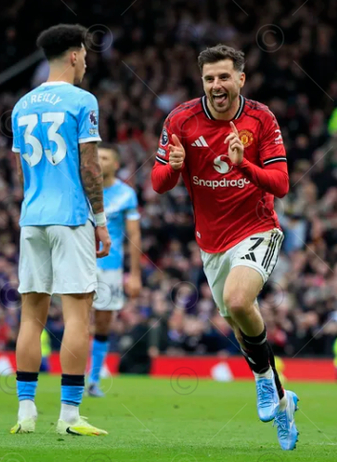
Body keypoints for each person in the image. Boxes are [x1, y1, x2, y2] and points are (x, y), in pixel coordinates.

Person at [151, 44, 299, 451]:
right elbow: (158, 182)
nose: (216, 85)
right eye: (209, 78)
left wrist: (243, 165)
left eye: (224, 77)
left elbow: (282, 184)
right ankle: (283, 401)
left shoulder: (261, 118)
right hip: (211, 243)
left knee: (237, 300)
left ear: (240, 79)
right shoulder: (180, 120)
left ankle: (264, 381)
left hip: (257, 228)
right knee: (239, 322)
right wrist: (174, 167)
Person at [10, 24, 111, 437]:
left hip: (32, 216)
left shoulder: (21, 105)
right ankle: (69, 415)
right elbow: (90, 165)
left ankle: (25, 412)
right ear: (73, 55)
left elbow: (22, 171)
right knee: (77, 315)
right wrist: (100, 222)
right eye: (84, 54)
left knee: (31, 316)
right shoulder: (82, 100)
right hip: (70, 216)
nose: (86, 61)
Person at [87, 144, 142, 397]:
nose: (100, 160)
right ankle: (73, 378)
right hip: (82, 263)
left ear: (116, 164)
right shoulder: (83, 188)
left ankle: (93, 379)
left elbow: (134, 236)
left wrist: (135, 275)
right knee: (77, 319)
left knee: (102, 323)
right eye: (97, 156)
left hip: (111, 267)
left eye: (105, 157)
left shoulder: (126, 194)